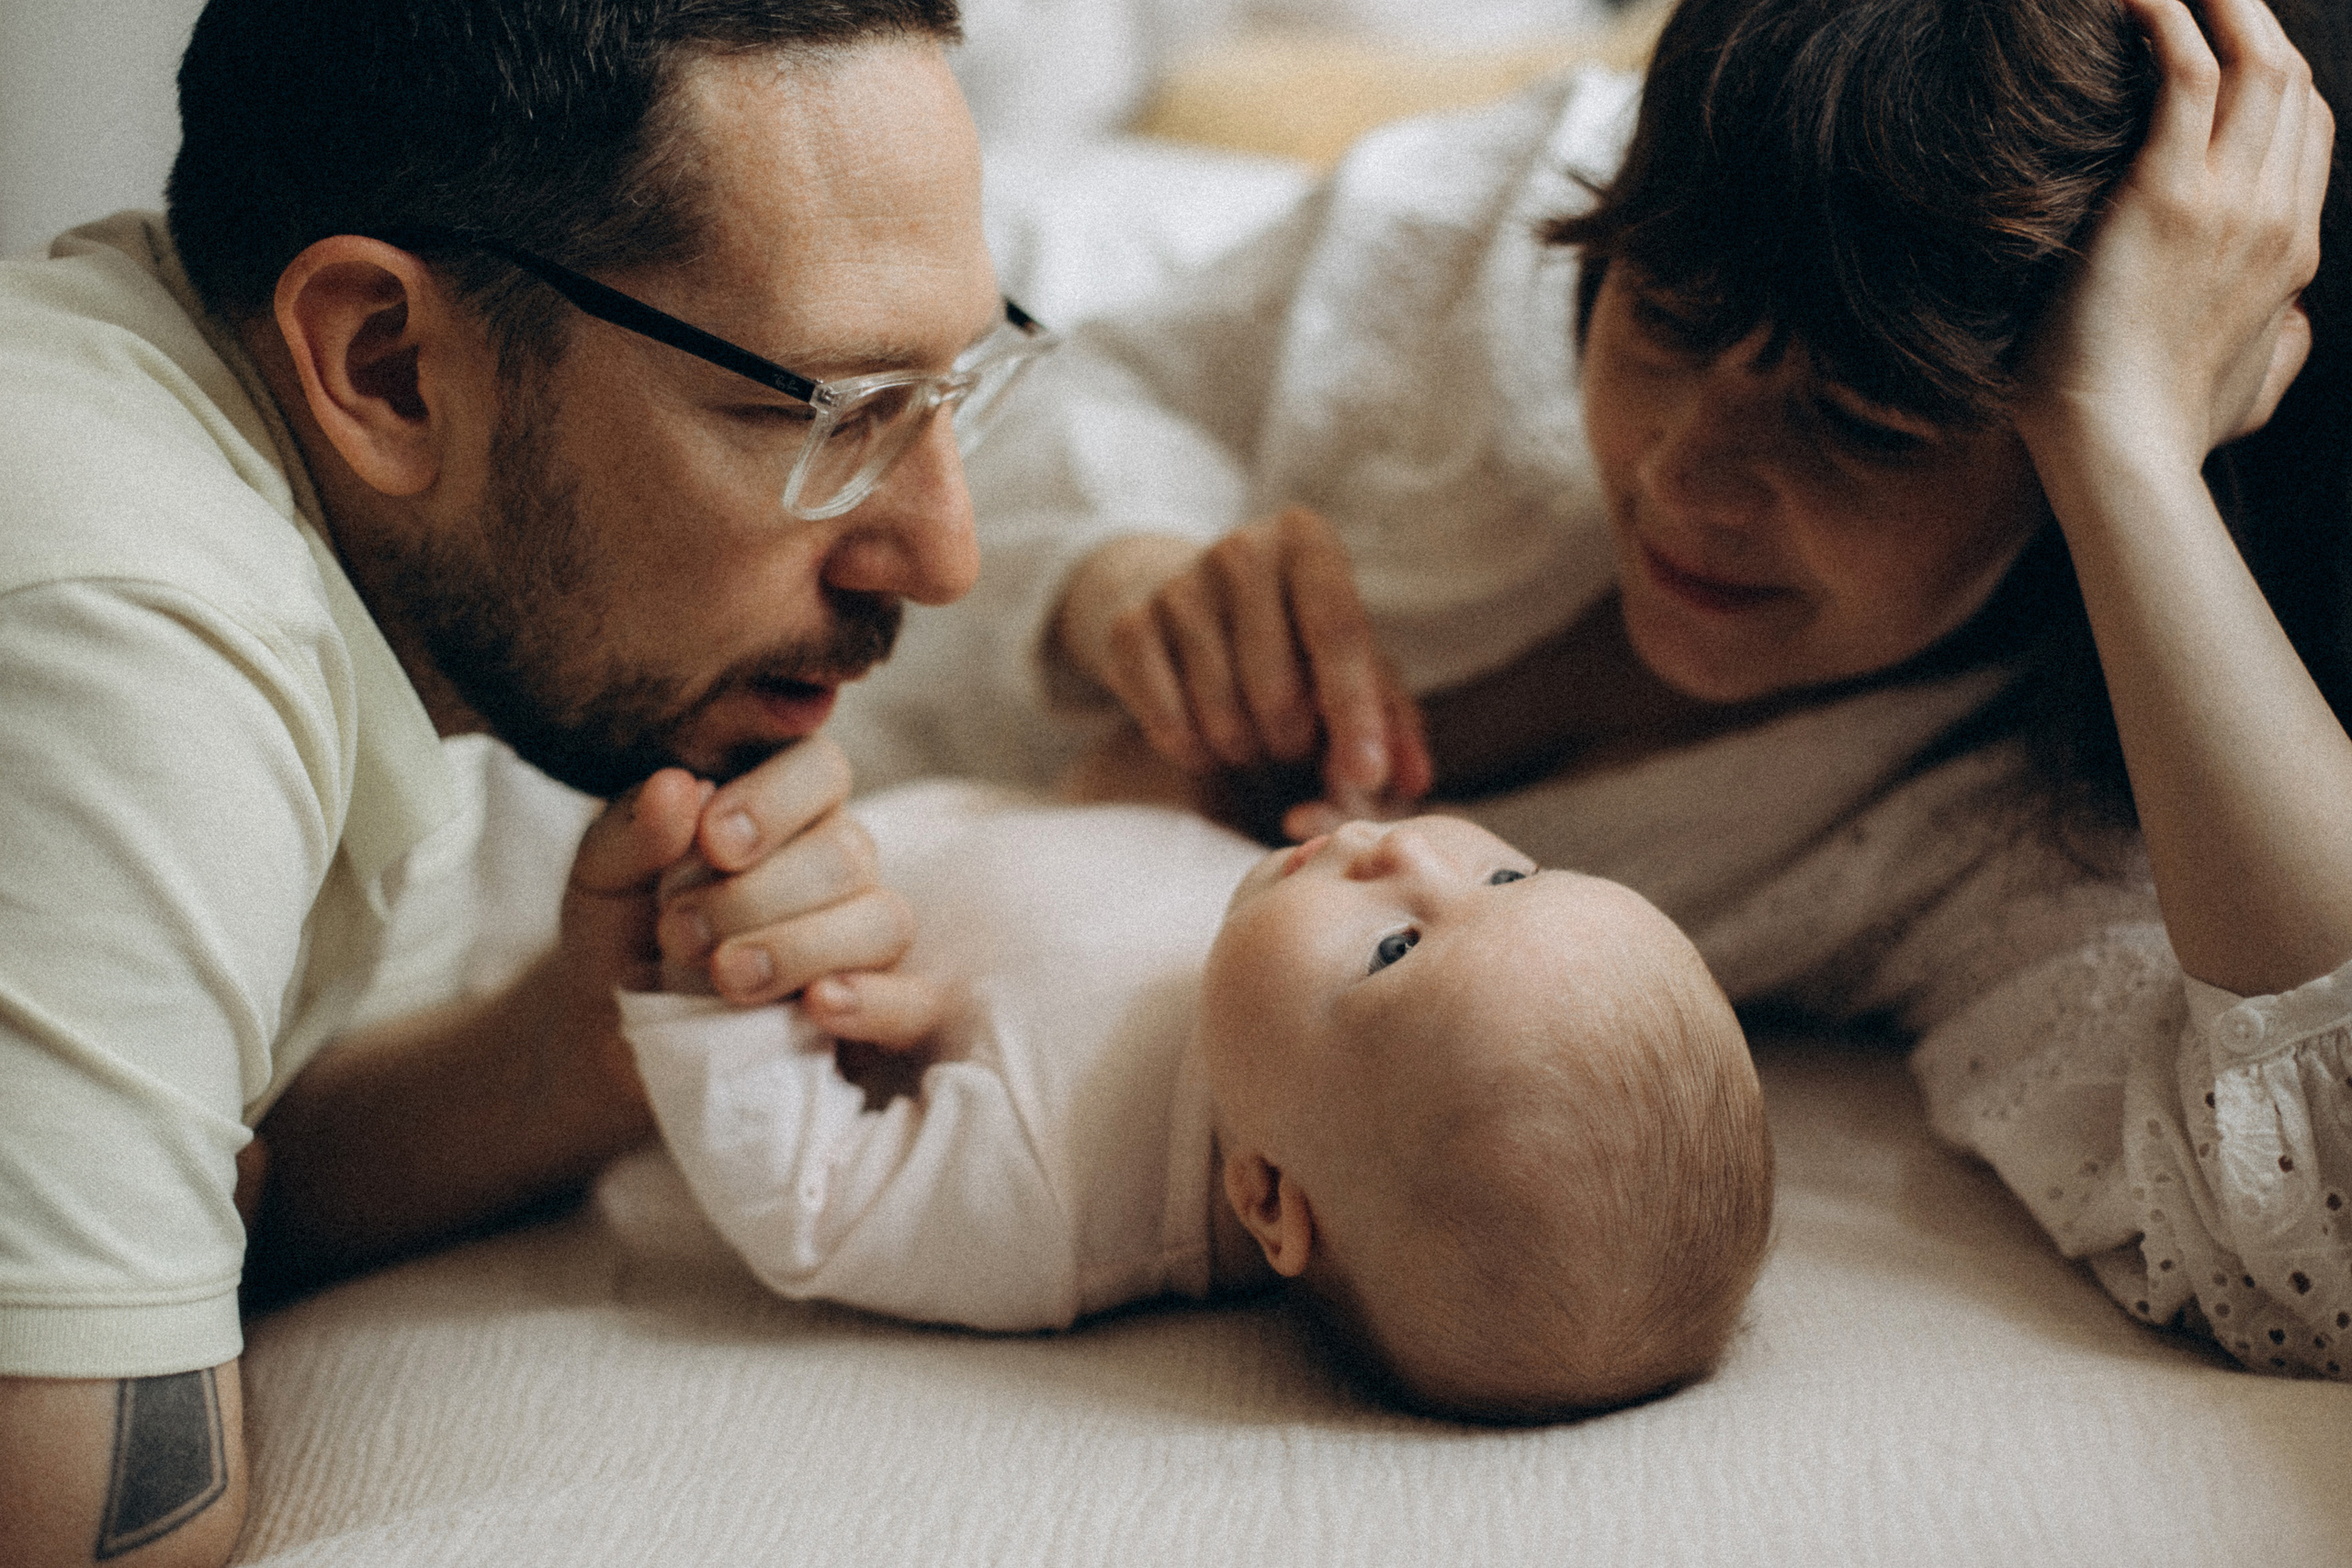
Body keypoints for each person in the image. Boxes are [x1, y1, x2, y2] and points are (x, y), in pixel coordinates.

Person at [830, 0, 2352, 1380]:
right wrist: (1121, 565)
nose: (1691, 475)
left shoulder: (2004, 832)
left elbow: (2312, 1237)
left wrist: (2135, 457)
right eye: (1667, 326)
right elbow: (1078, 379)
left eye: (1863, 425)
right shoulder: (1516, 206)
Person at [0, 2, 1057, 1562]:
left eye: (946, 391)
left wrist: (575, 1046)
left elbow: (239, 1176)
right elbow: (90, 1530)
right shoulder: (130, 619)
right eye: (827, 410)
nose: (944, 554)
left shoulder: (355, 580)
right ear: (389, 363)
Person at [602, 778, 1770, 1421]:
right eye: (1508, 875)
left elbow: (814, 1207)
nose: (1410, 858)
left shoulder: (1059, 1196)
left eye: (1394, 951)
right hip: (911, 785)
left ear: (1267, 1201)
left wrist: (707, 996)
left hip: (760, 872)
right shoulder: (1273, 982)